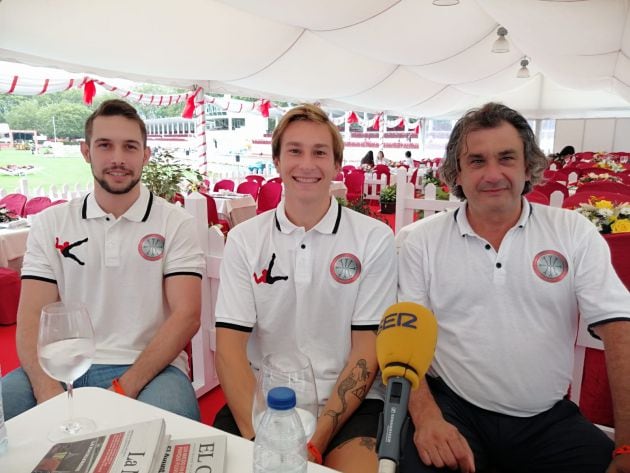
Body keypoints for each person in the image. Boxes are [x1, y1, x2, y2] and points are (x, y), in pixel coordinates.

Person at [397, 102, 630, 473]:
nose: (493, 174)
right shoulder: (420, 241)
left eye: (506, 158)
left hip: (546, 418)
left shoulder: (572, 232)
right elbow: (403, 339)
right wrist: (426, 418)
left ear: (528, 166)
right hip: (454, 407)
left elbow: (619, 329)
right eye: (477, 161)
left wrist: (626, 444)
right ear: (456, 173)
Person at [213, 104, 396, 473]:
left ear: (336, 164)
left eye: (319, 152)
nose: (307, 164)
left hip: (348, 407)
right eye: (294, 151)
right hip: (263, 402)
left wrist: (314, 443)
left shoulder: (373, 238)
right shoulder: (246, 240)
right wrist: (265, 440)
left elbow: (366, 350)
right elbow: (229, 346)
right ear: (277, 161)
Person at [2, 99, 204, 421]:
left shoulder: (175, 223)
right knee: (7, 409)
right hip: (63, 363)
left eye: (130, 147)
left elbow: (187, 316)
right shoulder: (51, 223)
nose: (118, 159)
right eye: (105, 145)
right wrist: (45, 390)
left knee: (174, 425)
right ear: (86, 152)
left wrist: (124, 388)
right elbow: (30, 319)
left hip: (151, 367)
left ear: (145, 155)